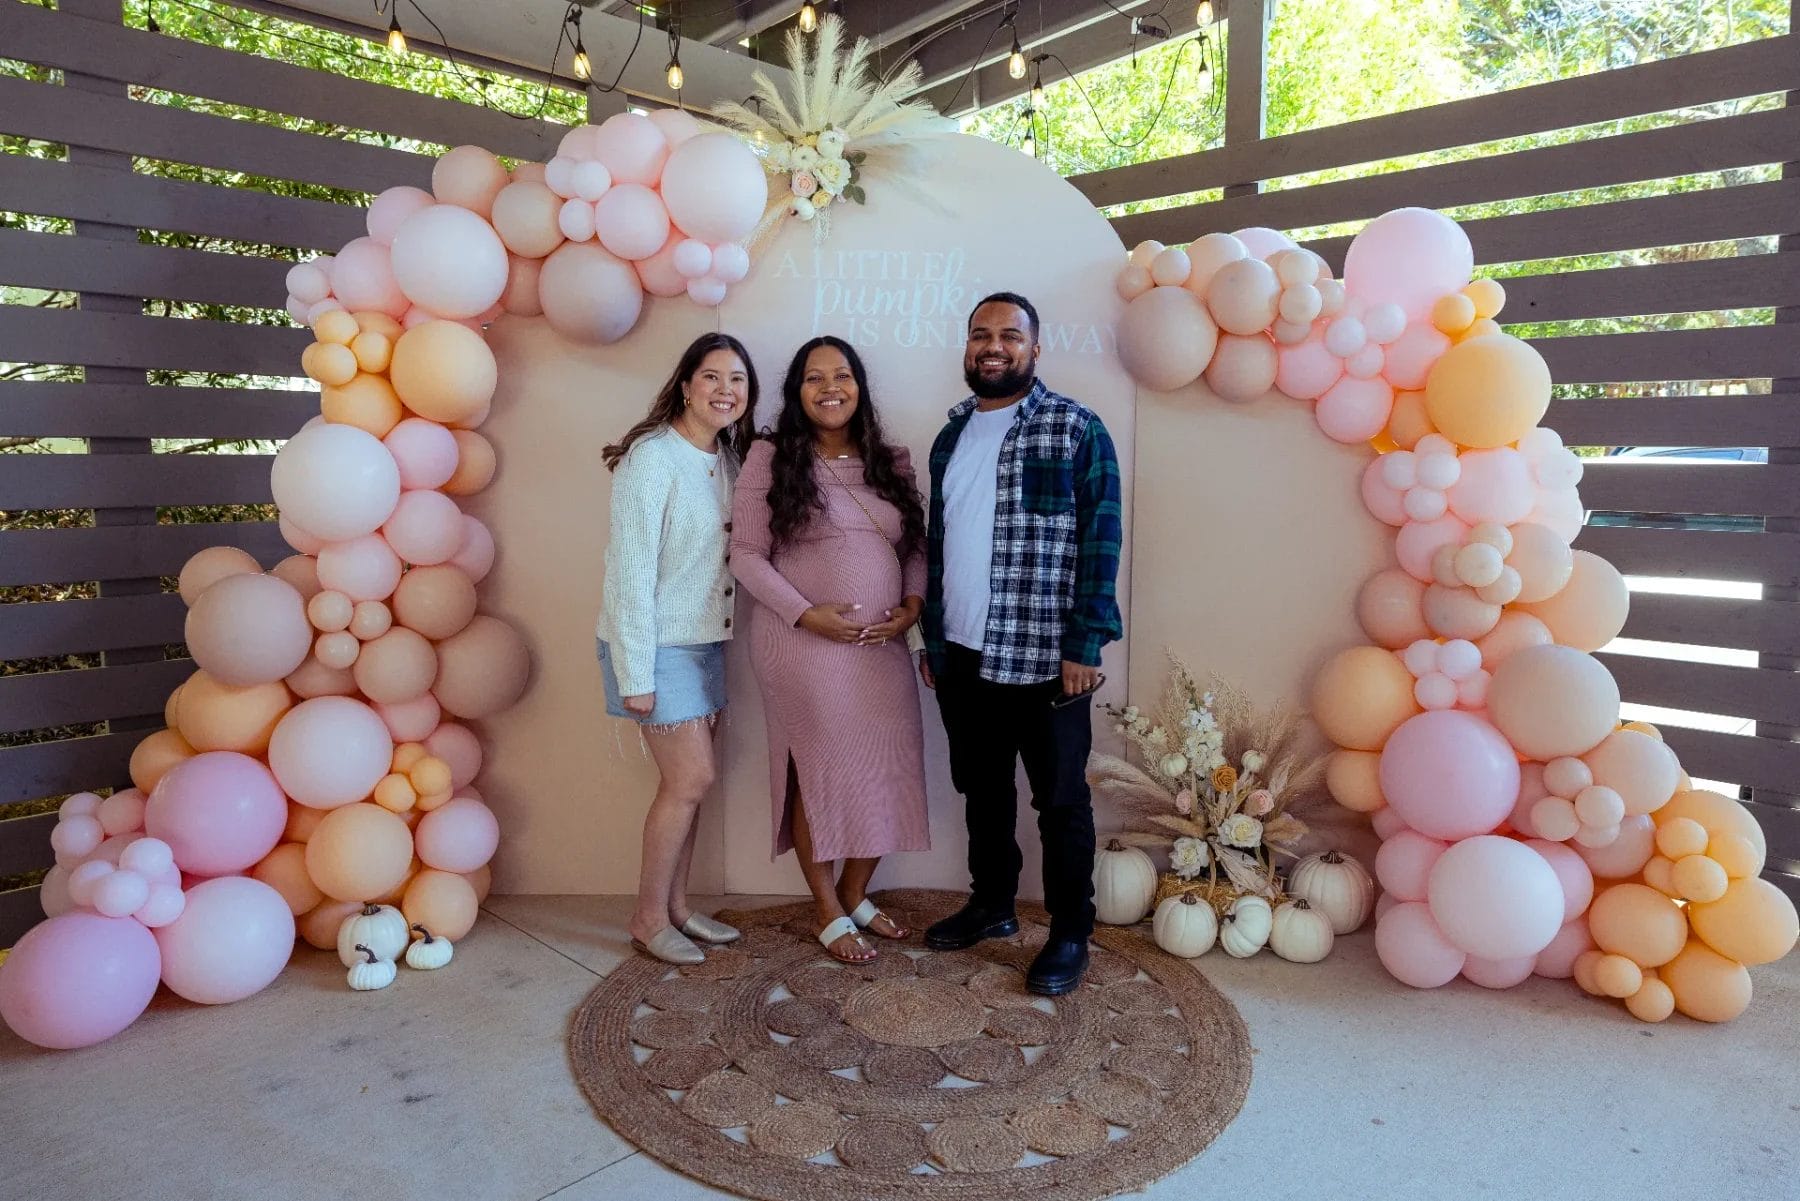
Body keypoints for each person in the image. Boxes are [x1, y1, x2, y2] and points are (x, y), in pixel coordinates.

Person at [919, 292, 1124, 996]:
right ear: (968, 347)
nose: (993, 346)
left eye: (1010, 334)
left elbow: (1101, 542)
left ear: (1035, 348)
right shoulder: (949, 437)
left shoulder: (1074, 429)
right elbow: (939, 548)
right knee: (982, 789)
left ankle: (1071, 931)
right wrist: (934, 642)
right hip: (963, 650)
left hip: (1046, 657)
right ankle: (993, 904)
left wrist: (1086, 643)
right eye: (981, 334)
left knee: (1061, 800)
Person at [731, 336, 931, 964]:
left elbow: (916, 551)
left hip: (880, 648)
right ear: (797, 392)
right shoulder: (771, 457)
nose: (830, 388)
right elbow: (746, 556)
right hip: (801, 647)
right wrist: (805, 614)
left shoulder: (890, 460)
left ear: (859, 386)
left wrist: (912, 607)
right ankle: (826, 909)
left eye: (841, 375)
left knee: (886, 764)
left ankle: (854, 892)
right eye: (814, 378)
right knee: (817, 773)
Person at [597, 332, 758, 967]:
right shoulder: (651, 459)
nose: (726, 390)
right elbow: (628, 574)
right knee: (690, 780)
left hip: (705, 644)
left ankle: (677, 907)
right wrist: (636, 673)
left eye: (738, 380)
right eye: (713, 377)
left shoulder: (729, 462)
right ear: (686, 385)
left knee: (691, 787)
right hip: (654, 644)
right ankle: (645, 917)